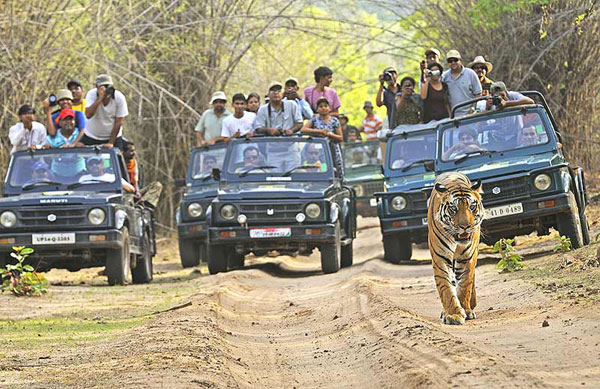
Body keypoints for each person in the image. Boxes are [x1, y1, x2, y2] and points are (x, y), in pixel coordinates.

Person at [253, 82, 303, 171]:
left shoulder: (292, 105)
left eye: (279, 91)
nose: (276, 93)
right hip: (273, 150)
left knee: (294, 177)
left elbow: (299, 123)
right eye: (273, 91)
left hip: (291, 149)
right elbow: (258, 128)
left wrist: (291, 130)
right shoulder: (263, 109)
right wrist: (269, 130)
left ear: (283, 93)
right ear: (268, 94)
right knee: (274, 178)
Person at [83, 74, 129, 149]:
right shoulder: (91, 94)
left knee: (116, 158)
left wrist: (111, 142)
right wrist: (99, 99)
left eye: (108, 86)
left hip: (113, 137)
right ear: (97, 87)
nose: (107, 89)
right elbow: (88, 115)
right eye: (103, 86)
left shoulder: (119, 97)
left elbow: (119, 121)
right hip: (92, 136)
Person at [440, 50, 482, 117]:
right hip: (453, 116)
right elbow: (444, 98)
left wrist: (473, 108)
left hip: (470, 115)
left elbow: (478, 93)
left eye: (455, 60)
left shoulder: (470, 73)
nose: (453, 62)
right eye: (450, 61)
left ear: (460, 61)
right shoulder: (444, 76)